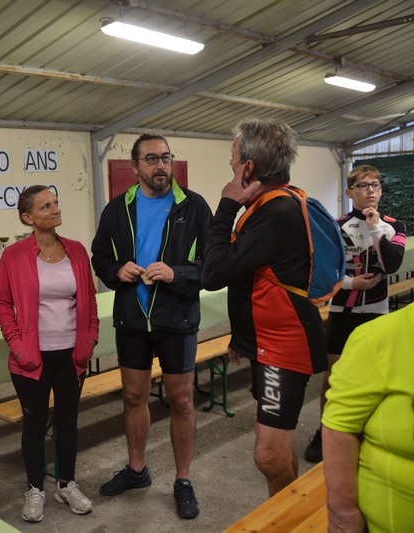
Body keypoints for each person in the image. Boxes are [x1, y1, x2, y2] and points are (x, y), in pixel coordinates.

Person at [202, 118, 328, 497]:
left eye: (233, 156)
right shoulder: (270, 205)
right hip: (265, 343)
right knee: (277, 447)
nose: (230, 163)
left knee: (268, 455)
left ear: (248, 167)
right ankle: (288, 508)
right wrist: (243, 337)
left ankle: (285, 517)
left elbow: (214, 273)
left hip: (283, 349)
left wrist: (226, 205)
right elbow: (251, 278)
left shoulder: (276, 212)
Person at [91, 134, 212, 519]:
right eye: (152, 159)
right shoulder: (117, 209)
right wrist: (116, 270)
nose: (161, 166)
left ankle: (183, 480)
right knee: (133, 397)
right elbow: (99, 256)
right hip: (132, 319)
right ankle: (137, 469)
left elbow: (213, 264)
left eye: (165, 158)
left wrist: (178, 273)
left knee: (182, 400)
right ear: (135, 166)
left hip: (177, 318)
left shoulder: (193, 206)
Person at [0, 185, 99, 523]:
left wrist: (90, 338)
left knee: (68, 422)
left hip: (71, 355)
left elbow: (89, 297)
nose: (56, 209)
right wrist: (17, 345)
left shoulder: (76, 251)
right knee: (34, 425)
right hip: (31, 359)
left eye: (56, 202)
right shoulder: (13, 256)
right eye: (46, 206)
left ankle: (66, 485)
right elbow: (3, 304)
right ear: (28, 218)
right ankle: (35, 489)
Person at [304, 165, 406, 463]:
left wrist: (374, 227)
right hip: (343, 310)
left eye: (375, 185)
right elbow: (321, 270)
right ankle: (324, 431)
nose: (371, 190)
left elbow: (391, 265)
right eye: (363, 185)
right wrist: (351, 283)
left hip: (377, 310)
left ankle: (367, 430)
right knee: (334, 374)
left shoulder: (394, 225)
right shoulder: (336, 226)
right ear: (349, 192)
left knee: (375, 375)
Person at [321, 304, 414, 532]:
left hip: (373, 305)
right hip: (388, 519)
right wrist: (342, 513)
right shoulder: (379, 338)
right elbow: (339, 426)